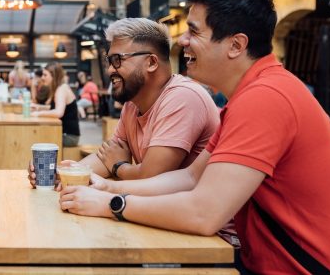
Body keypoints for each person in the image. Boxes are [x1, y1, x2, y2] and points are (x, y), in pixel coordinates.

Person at [60, 0, 330, 274]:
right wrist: (107, 186)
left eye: (194, 31)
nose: (181, 41)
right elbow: (192, 177)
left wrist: (112, 203)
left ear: (236, 45)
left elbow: (204, 214)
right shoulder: (251, 95)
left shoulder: (265, 98)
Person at [30, 18, 219, 182]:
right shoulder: (132, 103)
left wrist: (119, 166)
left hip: (194, 221)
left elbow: (151, 178)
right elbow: (107, 158)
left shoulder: (182, 97)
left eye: (117, 60)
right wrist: (63, 174)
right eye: (109, 61)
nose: (110, 70)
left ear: (152, 62)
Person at [32, 62, 80, 147]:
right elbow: (54, 108)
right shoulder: (59, 88)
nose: (42, 78)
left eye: (45, 75)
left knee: (37, 139)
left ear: (53, 76)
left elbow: (58, 112)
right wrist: (39, 108)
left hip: (69, 137)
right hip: (66, 134)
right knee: (37, 137)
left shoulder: (61, 89)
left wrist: (38, 114)